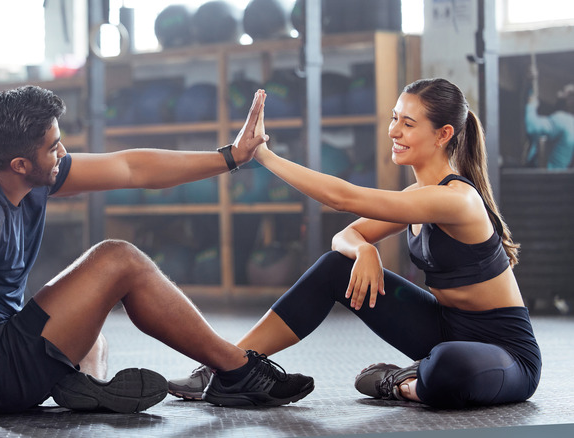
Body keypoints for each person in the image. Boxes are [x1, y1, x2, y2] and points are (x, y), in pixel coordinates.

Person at [0, 86, 314, 429]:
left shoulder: (25, 170)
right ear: (21, 162)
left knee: (94, 329)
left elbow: (130, 169)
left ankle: (82, 385)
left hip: (4, 345)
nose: (64, 153)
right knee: (119, 258)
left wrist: (230, 157)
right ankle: (237, 371)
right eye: (55, 147)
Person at [169, 79, 542, 408]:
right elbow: (344, 234)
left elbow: (343, 198)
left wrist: (263, 155)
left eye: (408, 124)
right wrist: (364, 248)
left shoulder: (456, 199)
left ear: (443, 134)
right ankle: (228, 365)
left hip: (504, 353)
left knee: (450, 365)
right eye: (394, 118)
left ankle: (400, 383)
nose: (394, 131)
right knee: (336, 266)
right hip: (443, 327)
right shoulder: (417, 194)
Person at [524, 65, 574, 169]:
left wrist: (531, 105)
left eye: (563, 93)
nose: (558, 94)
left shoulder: (562, 120)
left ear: (570, 101)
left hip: (544, 178)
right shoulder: (570, 124)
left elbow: (532, 127)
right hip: (558, 179)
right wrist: (531, 85)